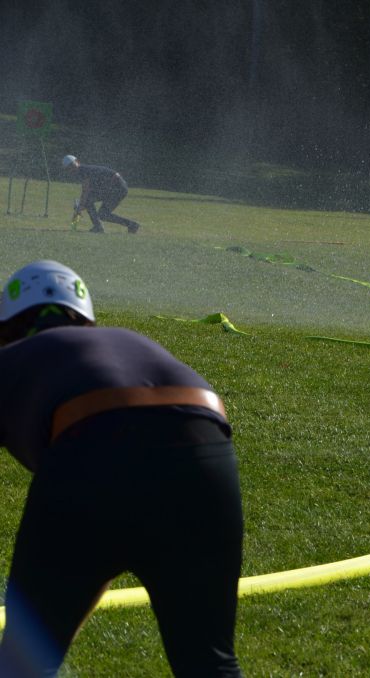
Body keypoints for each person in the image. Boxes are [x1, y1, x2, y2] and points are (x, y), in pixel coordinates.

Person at [0, 260, 243, 676]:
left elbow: (109, 488)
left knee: (20, 667)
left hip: (93, 456)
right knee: (208, 662)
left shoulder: (12, 359)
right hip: (206, 455)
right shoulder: (129, 341)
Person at [61, 155, 141, 234]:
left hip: (117, 187)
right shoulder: (82, 170)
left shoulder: (82, 170)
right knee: (103, 214)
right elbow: (89, 191)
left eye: (72, 165)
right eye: (68, 168)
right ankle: (132, 225)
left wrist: (80, 207)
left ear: (77, 162)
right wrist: (81, 205)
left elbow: (85, 191)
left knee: (89, 201)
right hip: (117, 187)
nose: (71, 168)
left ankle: (98, 227)